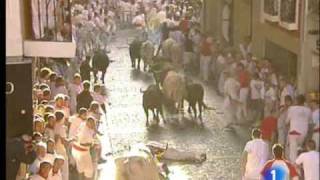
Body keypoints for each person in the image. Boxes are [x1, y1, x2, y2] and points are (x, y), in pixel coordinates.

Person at [286, 95, 312, 162]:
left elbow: (287, 121)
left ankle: (294, 165)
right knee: (299, 147)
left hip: (294, 132)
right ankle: (300, 161)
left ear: (296, 100)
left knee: (293, 151)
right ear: (304, 101)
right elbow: (310, 122)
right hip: (303, 132)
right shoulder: (308, 110)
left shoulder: (291, 108)